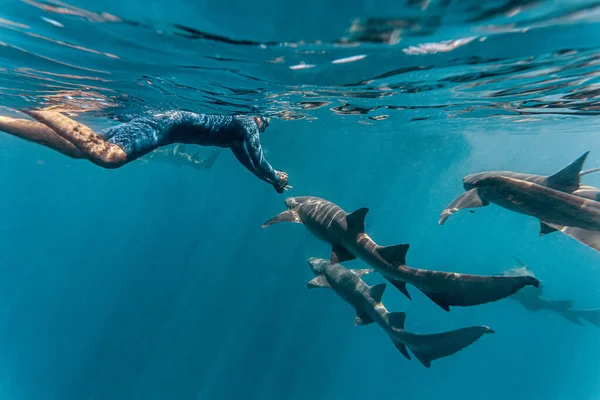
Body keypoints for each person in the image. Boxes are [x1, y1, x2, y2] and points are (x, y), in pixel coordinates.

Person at [0, 110, 290, 193]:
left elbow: (251, 162)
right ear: (261, 119)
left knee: (80, 150)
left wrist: (270, 180)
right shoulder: (247, 123)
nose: (261, 130)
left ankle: (5, 121)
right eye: (264, 124)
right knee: (108, 156)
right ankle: (43, 109)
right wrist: (276, 176)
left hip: (160, 126)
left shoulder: (234, 135)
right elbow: (258, 155)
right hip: (162, 126)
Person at [140, 144, 221, 171]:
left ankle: (205, 163)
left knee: (178, 147)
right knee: (179, 145)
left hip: (173, 157)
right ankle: (205, 163)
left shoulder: (150, 156)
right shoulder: (151, 155)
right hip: (173, 157)